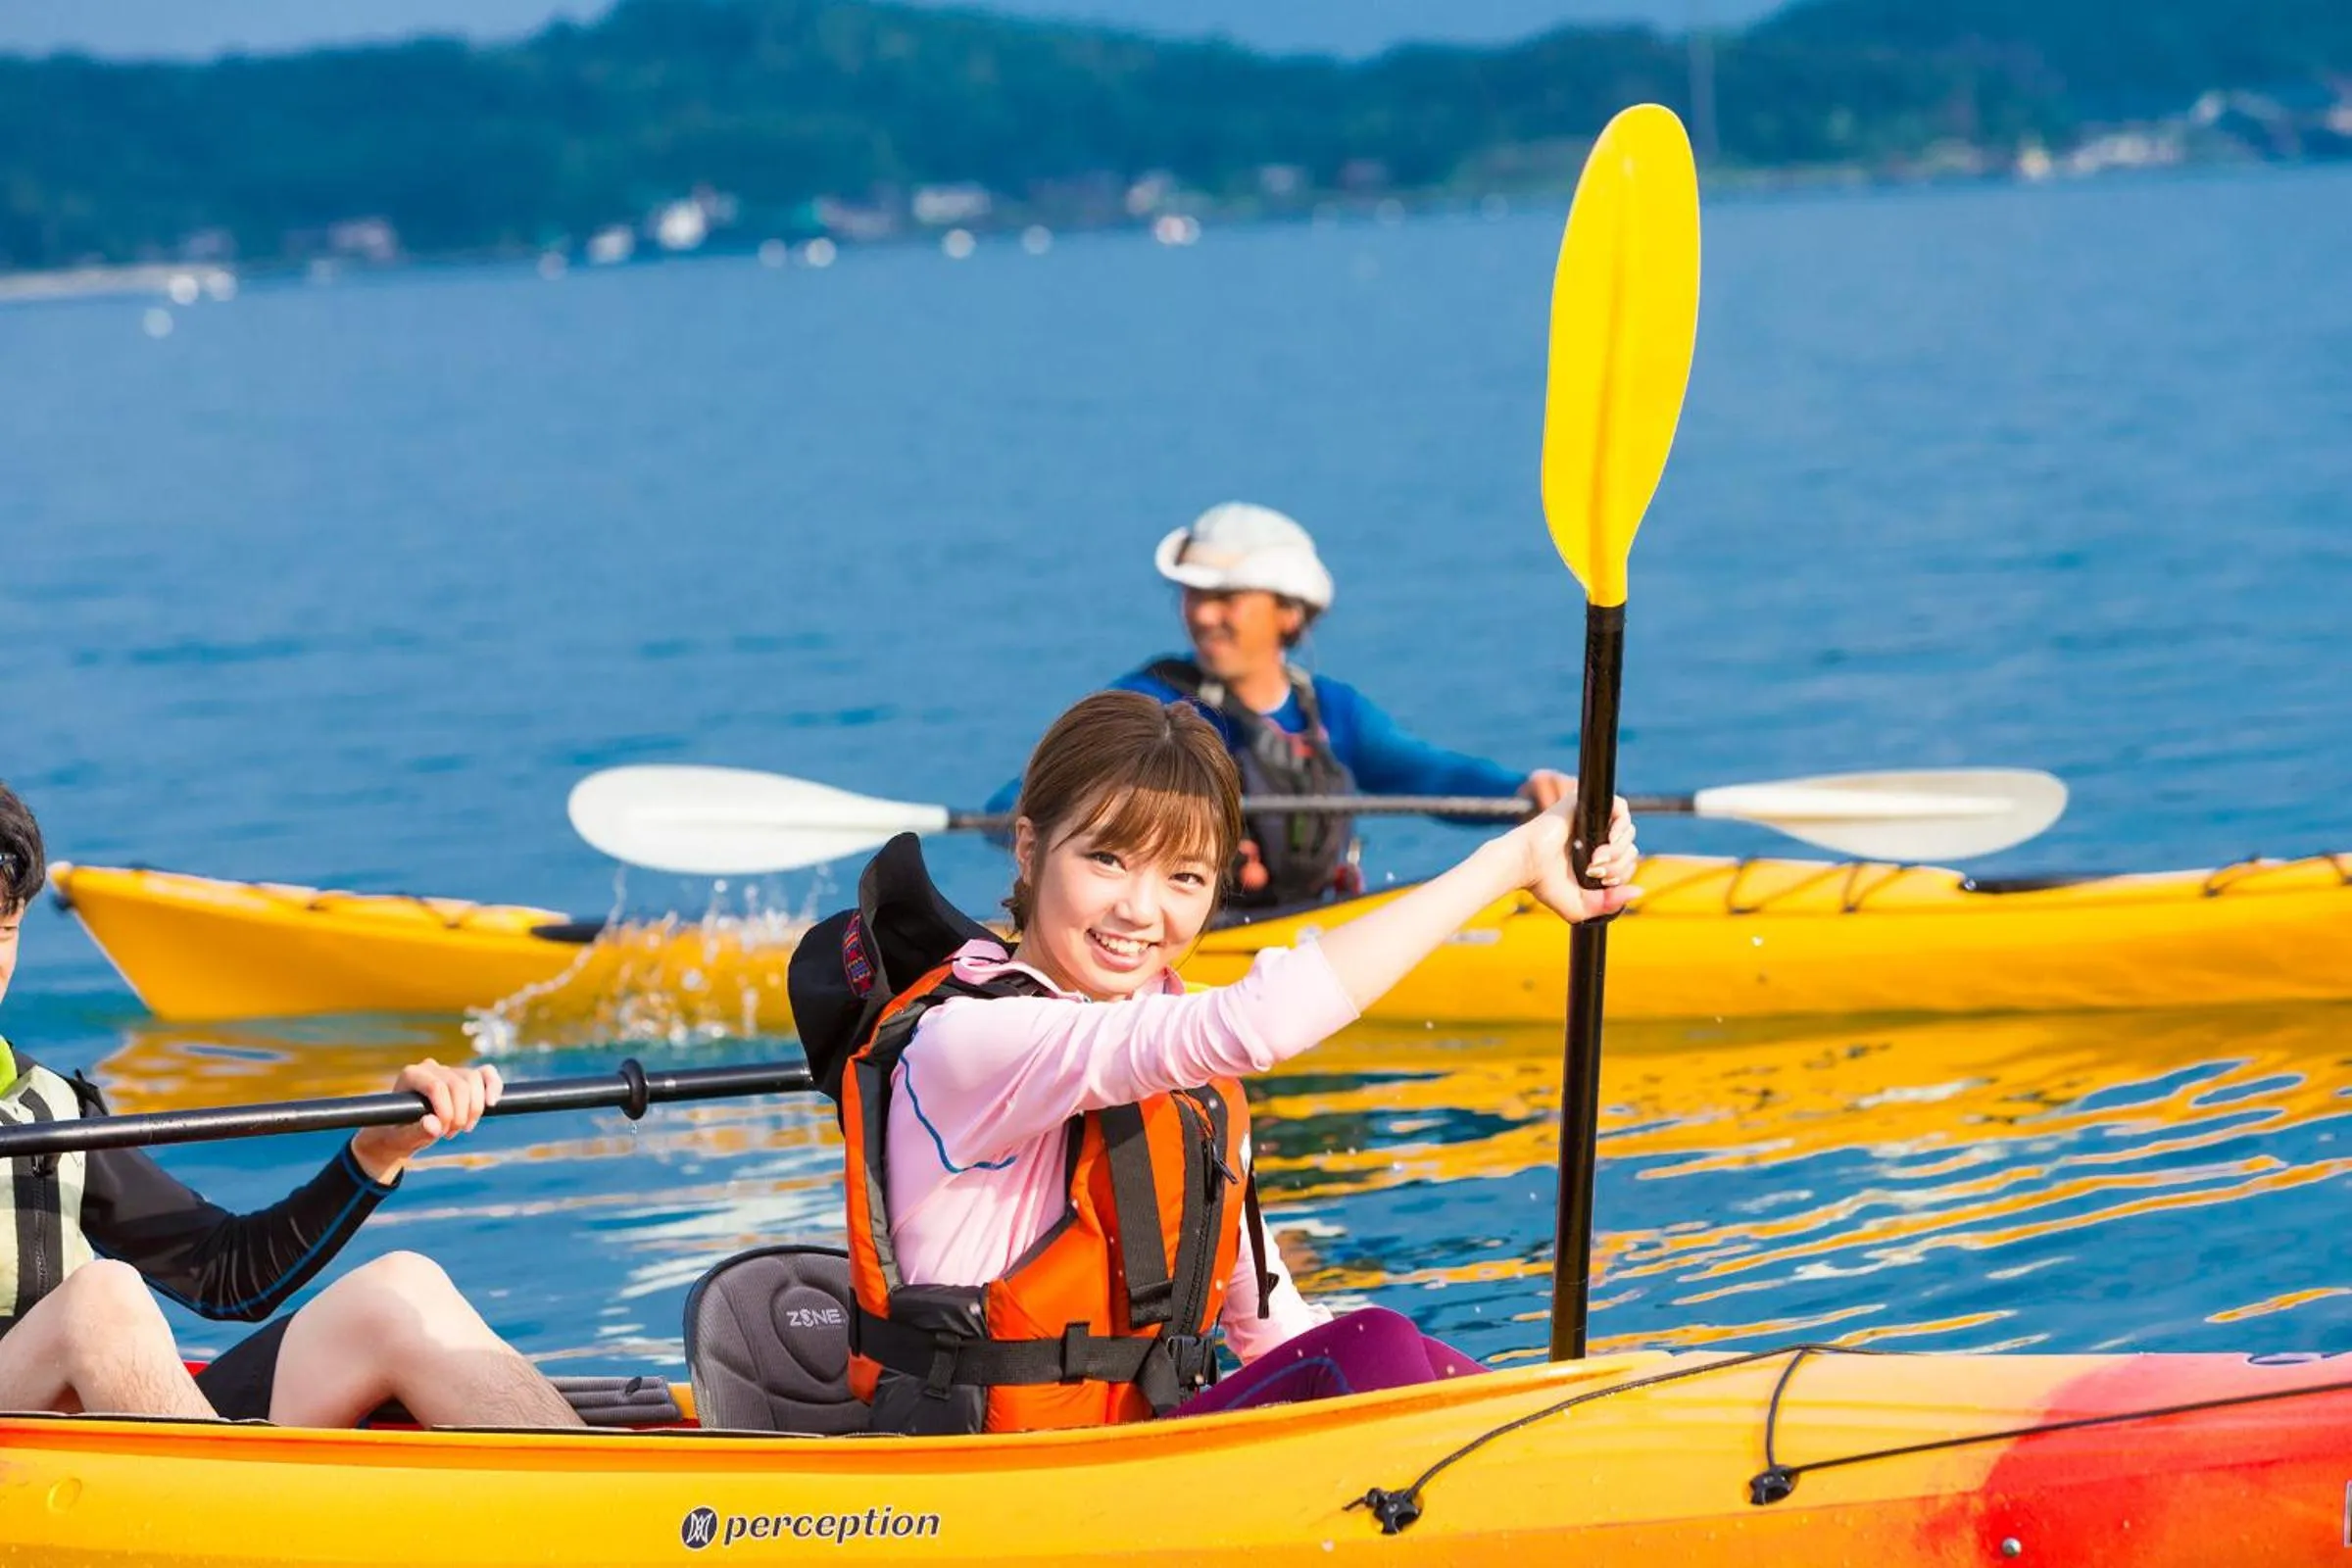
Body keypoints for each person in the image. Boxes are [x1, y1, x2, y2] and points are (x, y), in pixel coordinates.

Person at [804, 691, 1634, 1434]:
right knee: (1376, 1344)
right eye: (1106, 859)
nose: (1140, 909)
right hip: (987, 1480)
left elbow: (1272, 1329)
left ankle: (1590, 1448)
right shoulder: (975, 1039)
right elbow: (1258, 1023)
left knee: (1401, 1347)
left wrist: (1517, 1416)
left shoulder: (1184, 1073)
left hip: (1130, 1467)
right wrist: (1512, 863)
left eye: (1184, 876)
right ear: (1028, 848)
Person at [0, 779, 584, 1429]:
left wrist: (374, 1152)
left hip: (96, 1455)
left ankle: (614, 1510)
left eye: (4, 929)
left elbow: (226, 1276)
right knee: (100, 1304)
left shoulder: (48, 1108)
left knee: (397, 1291)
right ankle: (230, 1517)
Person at [986, 502, 1578, 909]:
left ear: (1289, 613)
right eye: (1193, 595)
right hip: (1201, 935)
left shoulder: (1333, 712)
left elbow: (1427, 774)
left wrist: (1526, 794)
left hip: (1313, 925)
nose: (1201, 614)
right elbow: (1016, 803)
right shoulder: (1152, 704)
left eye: (1226, 598)